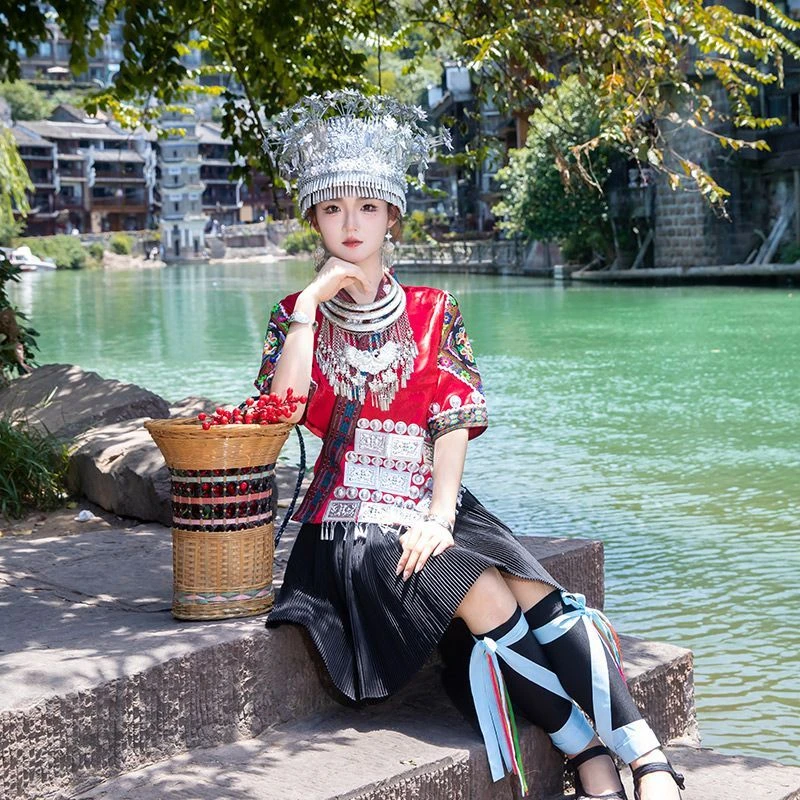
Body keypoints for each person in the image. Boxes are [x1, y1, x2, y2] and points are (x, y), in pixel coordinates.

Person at [256, 90, 684, 800]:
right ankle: (588, 757)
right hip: (348, 529)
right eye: (333, 209)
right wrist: (306, 310)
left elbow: (449, 421)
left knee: (538, 592)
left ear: (392, 215)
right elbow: (282, 410)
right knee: (483, 588)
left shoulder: (433, 308)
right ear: (315, 220)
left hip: (429, 504)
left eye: (366, 207)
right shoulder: (291, 318)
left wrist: (440, 515)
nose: (350, 224)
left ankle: (647, 757)